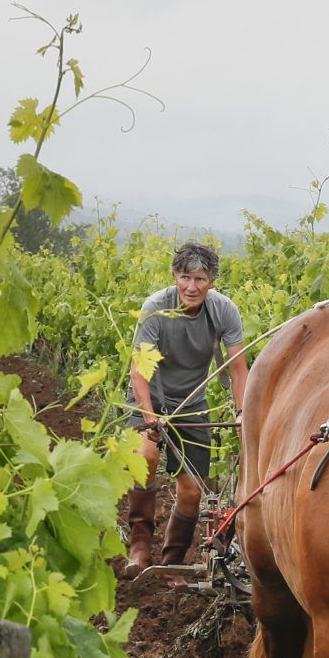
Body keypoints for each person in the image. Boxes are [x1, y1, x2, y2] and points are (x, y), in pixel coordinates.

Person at [125, 239, 249, 573]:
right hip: (149, 397)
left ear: (211, 282)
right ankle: (139, 547)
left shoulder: (224, 311)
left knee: (193, 490)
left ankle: (173, 562)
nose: (191, 287)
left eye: (199, 279)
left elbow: (238, 368)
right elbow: (139, 371)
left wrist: (242, 414)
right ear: (174, 276)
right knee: (145, 456)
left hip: (192, 403)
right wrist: (150, 419)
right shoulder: (156, 308)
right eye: (185, 277)